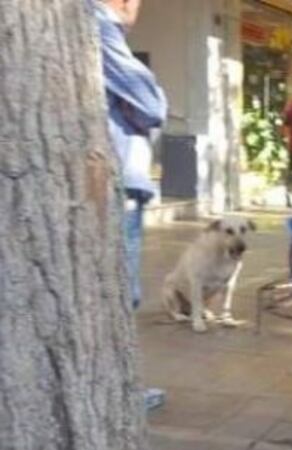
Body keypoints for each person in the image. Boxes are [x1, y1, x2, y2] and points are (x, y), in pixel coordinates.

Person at [95, 0, 168, 411]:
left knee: (118, 292)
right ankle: (118, 394)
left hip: (117, 184)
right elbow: (152, 105)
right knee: (120, 293)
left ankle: (116, 389)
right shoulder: (99, 24)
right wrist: (147, 98)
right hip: (115, 186)